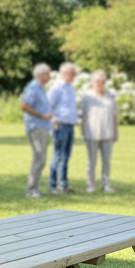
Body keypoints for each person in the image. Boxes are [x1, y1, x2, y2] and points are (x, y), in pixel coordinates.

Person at [79, 70, 119, 194]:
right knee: (92, 161)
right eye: (97, 81)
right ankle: (90, 185)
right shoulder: (87, 97)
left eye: (102, 81)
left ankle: (106, 185)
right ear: (92, 82)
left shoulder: (111, 96)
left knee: (106, 161)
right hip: (91, 132)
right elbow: (83, 115)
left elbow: (114, 115)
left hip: (107, 132)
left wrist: (116, 132)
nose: (99, 84)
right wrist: (82, 130)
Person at [19, 63, 54, 198]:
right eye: (48, 74)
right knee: (39, 158)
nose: (50, 77)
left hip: (43, 127)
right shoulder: (33, 87)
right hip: (36, 127)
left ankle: (34, 188)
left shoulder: (40, 88)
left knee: (41, 158)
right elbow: (24, 105)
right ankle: (31, 189)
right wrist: (41, 115)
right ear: (41, 75)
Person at [47, 62, 79, 195]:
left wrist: (76, 120)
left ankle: (64, 185)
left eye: (73, 74)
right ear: (63, 73)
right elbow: (48, 105)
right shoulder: (56, 88)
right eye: (70, 74)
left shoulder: (70, 88)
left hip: (70, 125)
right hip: (60, 125)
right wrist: (53, 120)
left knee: (66, 156)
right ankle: (53, 186)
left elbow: (71, 107)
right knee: (58, 155)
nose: (72, 76)